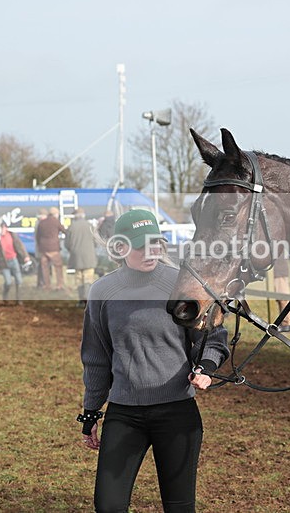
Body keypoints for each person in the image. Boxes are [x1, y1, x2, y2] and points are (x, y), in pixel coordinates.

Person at [78, 209, 230, 512]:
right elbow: (95, 357)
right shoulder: (103, 291)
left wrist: (206, 367)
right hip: (124, 414)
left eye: (154, 242)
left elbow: (212, 337)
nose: (150, 251)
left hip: (176, 412)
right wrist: (91, 412)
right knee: (108, 505)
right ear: (119, 247)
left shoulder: (183, 285)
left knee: (179, 506)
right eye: (139, 244)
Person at [65, 208, 98, 308]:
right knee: (88, 278)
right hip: (89, 256)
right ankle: (88, 301)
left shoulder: (71, 227)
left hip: (76, 257)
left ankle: (81, 301)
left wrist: (72, 250)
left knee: (79, 279)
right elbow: (96, 242)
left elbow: (67, 244)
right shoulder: (90, 226)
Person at [0, 221, 30, 305]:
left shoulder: (12, 235)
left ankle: (19, 300)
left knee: (19, 280)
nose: (2, 230)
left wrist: (25, 256)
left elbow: (20, 245)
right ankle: (5, 297)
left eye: (3, 228)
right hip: (3, 262)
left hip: (13, 260)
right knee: (8, 282)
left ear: (6, 228)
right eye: (0, 228)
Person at [36, 206, 66, 291]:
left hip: (43, 249)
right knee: (58, 267)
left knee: (45, 268)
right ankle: (59, 285)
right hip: (54, 248)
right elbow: (64, 231)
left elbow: (38, 236)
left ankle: (47, 286)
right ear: (55, 214)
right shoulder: (56, 221)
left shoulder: (41, 223)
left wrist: (39, 247)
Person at [272, 256, 290, 327]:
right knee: (281, 299)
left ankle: (285, 323)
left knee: (283, 299)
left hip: (279, 271)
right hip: (277, 271)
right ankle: (283, 322)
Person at [34, 208, 48, 288]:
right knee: (42, 266)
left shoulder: (37, 223)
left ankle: (40, 283)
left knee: (40, 266)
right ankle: (42, 283)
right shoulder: (39, 224)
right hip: (41, 248)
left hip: (39, 248)